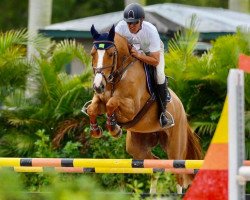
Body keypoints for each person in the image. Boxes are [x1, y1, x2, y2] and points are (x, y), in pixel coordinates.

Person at [115, 3, 173, 128]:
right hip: (132, 53)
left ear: (141, 20)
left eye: (135, 23)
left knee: (159, 75)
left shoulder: (151, 30)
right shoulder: (120, 27)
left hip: (152, 54)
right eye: (128, 23)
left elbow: (155, 60)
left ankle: (163, 113)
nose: (131, 26)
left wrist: (139, 55)